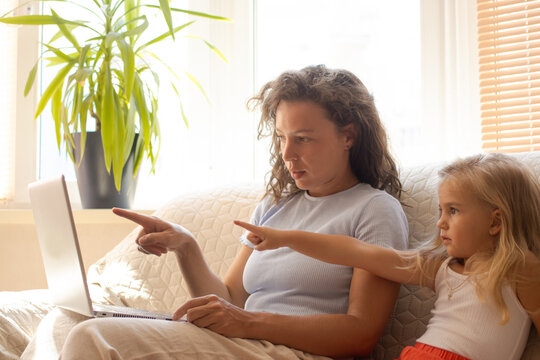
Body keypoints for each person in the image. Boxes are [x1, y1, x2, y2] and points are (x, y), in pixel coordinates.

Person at [22, 65, 408, 359]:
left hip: (289, 352)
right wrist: (186, 247)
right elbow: (228, 300)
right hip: (244, 340)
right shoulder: (276, 206)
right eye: (282, 138)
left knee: (93, 337)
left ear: (349, 136)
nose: (287, 154)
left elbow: (361, 333)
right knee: (62, 321)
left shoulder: (375, 210)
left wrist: (249, 322)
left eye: (303, 139)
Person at [235, 152, 540, 360]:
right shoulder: (440, 269)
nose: (440, 222)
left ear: (496, 221)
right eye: (440, 210)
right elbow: (357, 251)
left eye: (454, 210)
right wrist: (283, 238)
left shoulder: (522, 269)